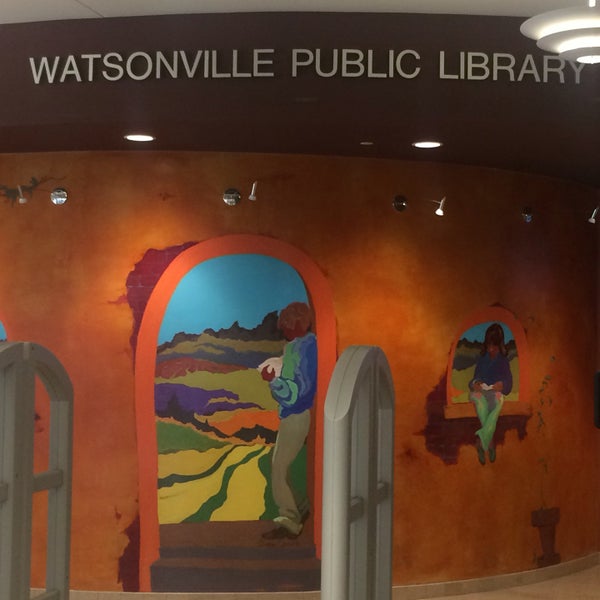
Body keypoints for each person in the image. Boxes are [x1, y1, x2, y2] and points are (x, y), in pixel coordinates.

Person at [259, 301, 317, 539]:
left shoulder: (303, 348)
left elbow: (298, 391)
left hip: (297, 413)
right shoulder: (299, 346)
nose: (283, 329)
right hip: (296, 413)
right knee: (283, 465)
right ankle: (300, 509)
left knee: (279, 466)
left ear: (296, 323)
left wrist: (273, 381)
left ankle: (290, 519)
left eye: (286, 324)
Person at [469, 323, 512, 465]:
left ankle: (482, 440)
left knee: (499, 400)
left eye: (494, 347)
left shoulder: (503, 361)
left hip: (494, 393)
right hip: (480, 393)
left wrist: (502, 385)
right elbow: (473, 379)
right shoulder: (483, 359)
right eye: (489, 346)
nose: (491, 349)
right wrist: (475, 383)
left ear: (500, 346)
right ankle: (490, 442)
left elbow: (509, 384)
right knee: (480, 401)